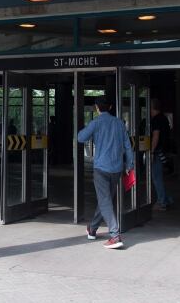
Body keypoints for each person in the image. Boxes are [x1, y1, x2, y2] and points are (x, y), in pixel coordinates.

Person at [77, 97, 134, 249]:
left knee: (105, 201)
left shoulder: (95, 123)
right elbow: (128, 146)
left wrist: (90, 129)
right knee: (106, 200)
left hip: (101, 169)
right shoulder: (119, 123)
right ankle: (92, 228)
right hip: (116, 169)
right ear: (109, 106)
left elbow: (80, 137)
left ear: (97, 108)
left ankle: (115, 236)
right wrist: (130, 164)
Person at [150, 99, 174, 210]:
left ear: (152, 107)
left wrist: (151, 151)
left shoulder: (156, 120)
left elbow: (156, 136)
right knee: (159, 177)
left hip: (158, 152)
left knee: (156, 177)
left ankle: (162, 202)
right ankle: (167, 199)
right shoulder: (164, 118)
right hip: (164, 151)